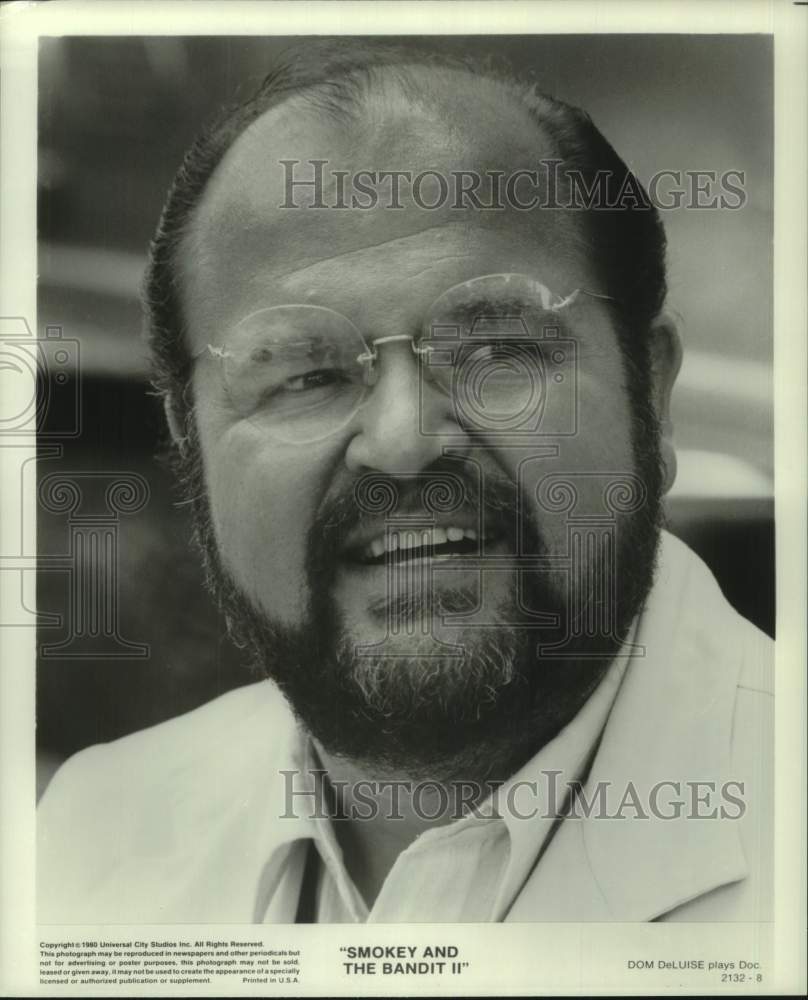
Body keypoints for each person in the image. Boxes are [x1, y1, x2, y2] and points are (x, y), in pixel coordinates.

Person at [38, 42, 772, 924]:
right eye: (305, 376)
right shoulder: (87, 836)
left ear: (650, 394)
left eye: (495, 352)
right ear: (188, 443)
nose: (401, 442)